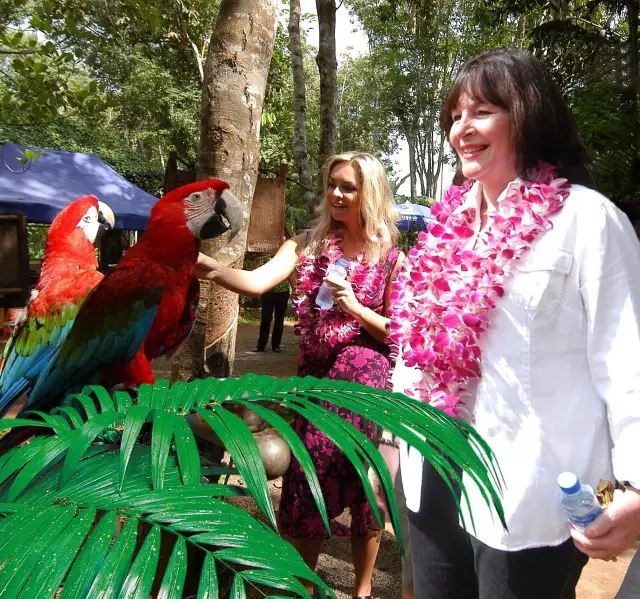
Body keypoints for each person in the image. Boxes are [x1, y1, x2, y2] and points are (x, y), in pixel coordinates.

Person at [383, 47, 640, 599]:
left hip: (532, 486)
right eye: (455, 115)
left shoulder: (588, 220)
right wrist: (389, 436)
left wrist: (637, 485)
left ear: (527, 115)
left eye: (482, 112)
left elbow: (628, 360)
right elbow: (413, 348)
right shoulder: (444, 227)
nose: (462, 128)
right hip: (432, 469)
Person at [195, 151, 404, 599]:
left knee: (365, 483)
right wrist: (210, 268)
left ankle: (362, 590)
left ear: (369, 192)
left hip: (364, 389)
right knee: (309, 479)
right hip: (314, 385)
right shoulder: (306, 245)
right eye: (333, 184)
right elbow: (257, 282)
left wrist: (354, 306)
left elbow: (397, 330)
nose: (337, 194)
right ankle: (301, 587)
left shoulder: (390, 256)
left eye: (349, 187)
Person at [252, 233, 292, 353]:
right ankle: (261, 345)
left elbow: (291, 273)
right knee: (266, 318)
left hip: (282, 291)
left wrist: (296, 289)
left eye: (283, 237)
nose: (281, 239)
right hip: (268, 291)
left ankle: (276, 345)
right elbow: (260, 270)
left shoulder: (288, 254)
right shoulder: (267, 253)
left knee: (279, 319)